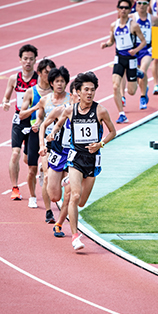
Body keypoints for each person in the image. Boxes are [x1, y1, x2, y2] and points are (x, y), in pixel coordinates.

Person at [47, 72, 116, 250]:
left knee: (82, 202)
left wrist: (100, 144)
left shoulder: (100, 110)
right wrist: (53, 133)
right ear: (78, 91)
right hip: (75, 158)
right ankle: (75, 236)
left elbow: (112, 132)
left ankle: (69, 180)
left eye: (92, 90)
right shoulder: (70, 110)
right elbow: (59, 123)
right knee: (74, 196)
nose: (89, 93)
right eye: (86, 90)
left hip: (92, 160)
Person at [39, 81, 78, 237]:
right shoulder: (60, 111)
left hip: (74, 156)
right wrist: (42, 144)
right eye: (77, 92)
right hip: (58, 153)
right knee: (55, 195)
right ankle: (61, 183)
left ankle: (59, 224)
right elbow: (43, 125)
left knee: (69, 195)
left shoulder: (86, 115)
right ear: (73, 94)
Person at [32, 66, 70, 223]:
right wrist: (41, 144)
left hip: (66, 145)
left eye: (62, 81)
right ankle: (49, 211)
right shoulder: (45, 100)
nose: (60, 84)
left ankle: (66, 211)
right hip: (49, 145)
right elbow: (41, 121)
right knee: (47, 176)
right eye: (57, 81)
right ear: (51, 83)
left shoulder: (71, 100)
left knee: (67, 182)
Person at [2, 44, 38, 200]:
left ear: (35, 60)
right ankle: (15, 188)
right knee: (14, 154)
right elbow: (6, 96)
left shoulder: (39, 79)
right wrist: (5, 102)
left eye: (31, 59)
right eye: (25, 59)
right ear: (20, 60)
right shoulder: (13, 79)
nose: (28, 62)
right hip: (18, 119)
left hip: (34, 121)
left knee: (27, 159)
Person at [101, 0, 146, 124]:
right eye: (121, 7)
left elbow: (143, 42)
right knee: (115, 87)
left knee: (131, 92)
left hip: (131, 59)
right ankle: (122, 114)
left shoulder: (134, 26)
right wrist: (106, 44)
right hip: (119, 58)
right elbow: (111, 40)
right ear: (117, 9)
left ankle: (137, 72)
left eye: (126, 8)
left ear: (129, 9)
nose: (123, 10)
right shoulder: (113, 25)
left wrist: (135, 50)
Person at [19, 59, 56, 208]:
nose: (50, 75)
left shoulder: (56, 93)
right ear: (39, 73)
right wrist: (36, 107)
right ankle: (32, 195)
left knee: (50, 167)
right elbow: (21, 114)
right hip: (33, 132)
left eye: (52, 72)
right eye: (47, 72)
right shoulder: (31, 92)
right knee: (30, 166)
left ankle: (33, 197)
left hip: (51, 133)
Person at [131, 0, 158, 109]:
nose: (142, 6)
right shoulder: (131, 17)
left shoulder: (153, 19)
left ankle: (142, 97)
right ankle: (144, 89)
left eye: (144, 3)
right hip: (135, 49)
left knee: (142, 70)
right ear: (136, 5)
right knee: (139, 76)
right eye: (139, 3)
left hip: (147, 49)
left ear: (148, 5)